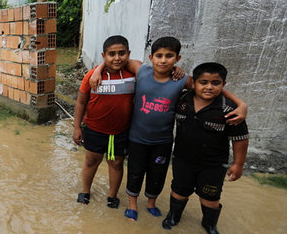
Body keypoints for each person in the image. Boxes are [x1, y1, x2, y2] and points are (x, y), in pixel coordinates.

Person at [89, 36, 247, 221]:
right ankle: (132, 204)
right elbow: (115, 60)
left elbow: (207, 84)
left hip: (162, 140)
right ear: (151, 57)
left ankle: (151, 203)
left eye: (169, 56)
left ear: (177, 58)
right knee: (135, 171)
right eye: (159, 56)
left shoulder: (181, 81)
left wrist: (240, 103)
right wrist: (97, 71)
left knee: (157, 173)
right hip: (137, 138)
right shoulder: (141, 70)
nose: (163, 60)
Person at [162, 63, 249, 234]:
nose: (209, 87)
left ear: (223, 84)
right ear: (194, 83)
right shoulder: (183, 99)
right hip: (182, 159)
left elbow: (240, 138)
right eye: (203, 82)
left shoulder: (229, 109)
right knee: (179, 190)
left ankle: (209, 225)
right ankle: (173, 216)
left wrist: (238, 164)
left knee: (210, 197)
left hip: (213, 164)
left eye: (215, 83)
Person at [73, 35, 136, 208]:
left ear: (128, 54)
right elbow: (81, 102)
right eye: (112, 54)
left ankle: (112, 196)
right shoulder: (92, 76)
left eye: (121, 53)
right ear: (104, 55)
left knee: (116, 163)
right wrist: (77, 127)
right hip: (94, 129)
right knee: (91, 160)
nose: (117, 58)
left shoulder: (133, 75)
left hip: (121, 131)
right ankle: (85, 191)